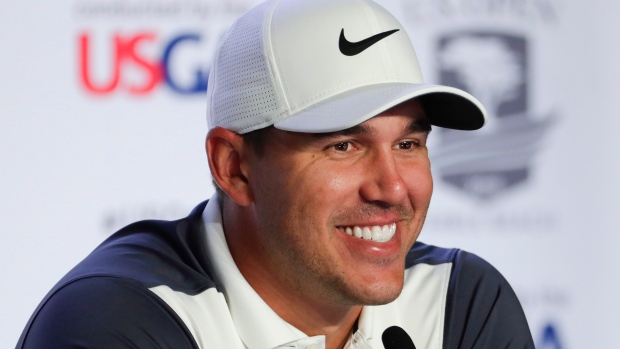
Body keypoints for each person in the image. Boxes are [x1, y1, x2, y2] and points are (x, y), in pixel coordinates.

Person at [17, 0, 534, 348]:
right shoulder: (115, 322)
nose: (394, 187)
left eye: (408, 143)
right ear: (234, 167)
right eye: (344, 145)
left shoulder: (458, 301)